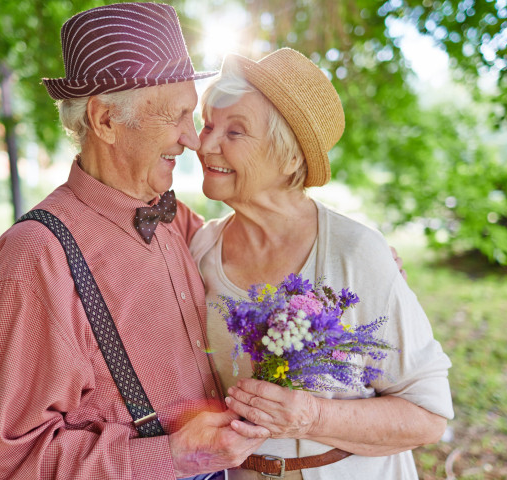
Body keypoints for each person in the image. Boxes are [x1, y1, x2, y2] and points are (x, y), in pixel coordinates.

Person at [0, 4, 270, 479]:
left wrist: (330, 253)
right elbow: (5, 464)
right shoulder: (36, 256)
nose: (193, 140)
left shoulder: (173, 216)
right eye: (177, 116)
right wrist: (170, 457)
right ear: (105, 120)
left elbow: (249, 250)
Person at [188, 48, 454, 479]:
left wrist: (312, 416)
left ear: (290, 158)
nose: (205, 144)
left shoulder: (354, 252)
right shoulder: (201, 248)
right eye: (209, 125)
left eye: (235, 132)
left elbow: (429, 415)